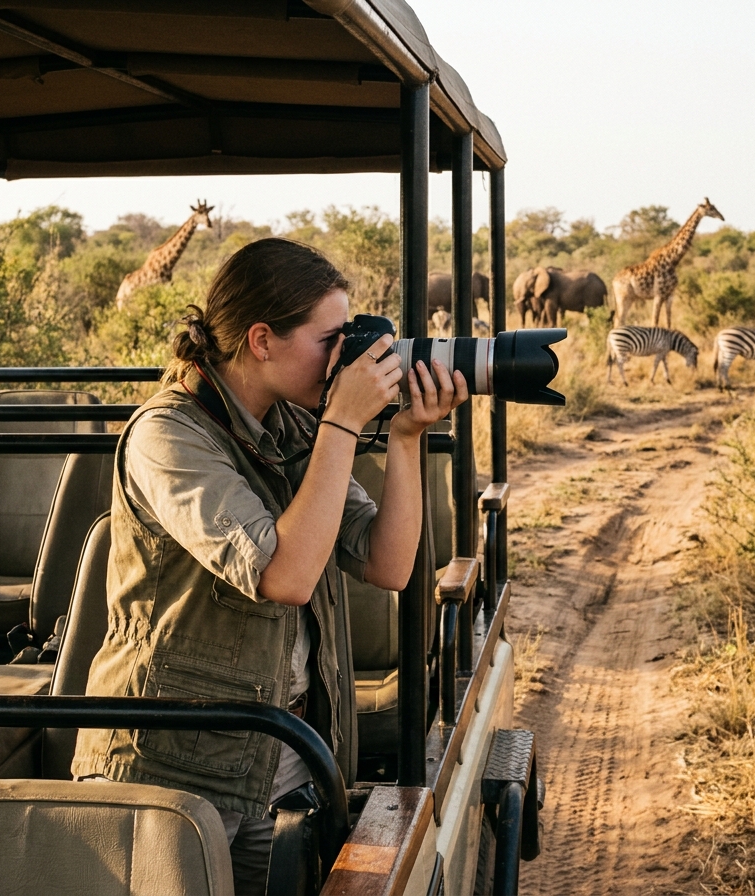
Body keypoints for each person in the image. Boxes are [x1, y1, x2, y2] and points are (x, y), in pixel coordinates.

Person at [73, 238, 467, 893]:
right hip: (168, 767)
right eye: (330, 338)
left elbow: (390, 564)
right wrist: (342, 421)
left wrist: (404, 436)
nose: (345, 356)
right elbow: (283, 578)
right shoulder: (167, 436)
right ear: (262, 340)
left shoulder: (289, 426)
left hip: (275, 753)